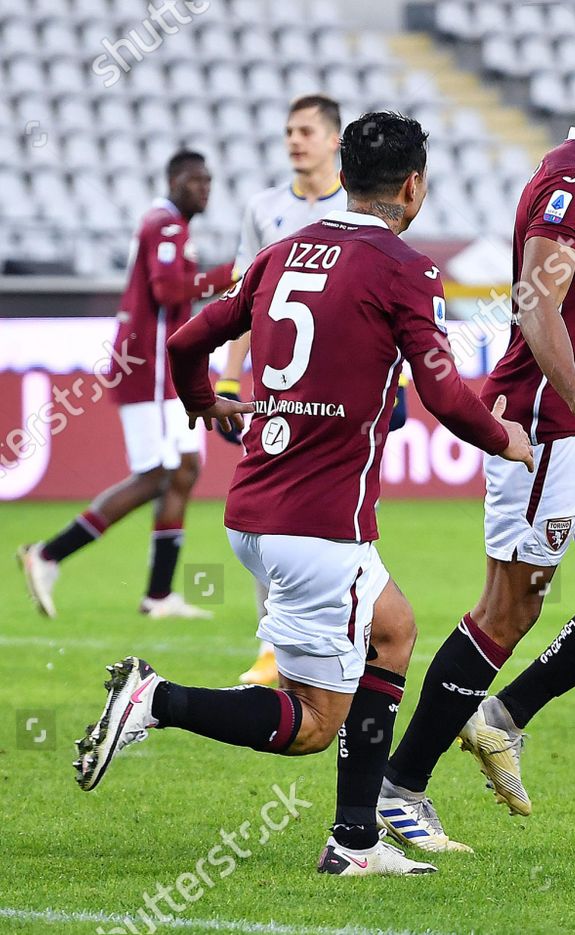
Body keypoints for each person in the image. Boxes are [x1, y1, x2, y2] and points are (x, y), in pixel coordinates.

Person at [70, 111, 534, 875]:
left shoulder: (284, 252)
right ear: (413, 185)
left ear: (344, 174)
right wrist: (504, 436)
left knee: (394, 630)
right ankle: (157, 699)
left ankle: (355, 841)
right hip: (320, 527)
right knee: (315, 721)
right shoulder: (406, 269)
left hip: (257, 507)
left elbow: (187, 339)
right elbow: (447, 395)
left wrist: (200, 402)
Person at [375, 43, 575, 848]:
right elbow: (535, 307)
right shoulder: (570, 184)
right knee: (508, 608)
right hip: (546, 425)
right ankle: (397, 786)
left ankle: (502, 717)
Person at [17, 152, 234, 620]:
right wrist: (229, 274)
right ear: (174, 180)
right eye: (196, 179)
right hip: (147, 367)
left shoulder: (173, 226)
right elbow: (169, 292)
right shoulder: (164, 224)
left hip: (165, 370)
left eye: (209, 180)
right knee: (156, 473)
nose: (205, 188)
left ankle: (158, 596)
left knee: (186, 468)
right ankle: (48, 554)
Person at [219, 93, 358, 687]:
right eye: (289, 131)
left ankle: (349, 629)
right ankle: (274, 649)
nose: (295, 141)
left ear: (333, 141)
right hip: (276, 388)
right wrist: (228, 374)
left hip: (343, 387)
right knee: (267, 507)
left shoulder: (358, 206)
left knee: (345, 507)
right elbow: (242, 303)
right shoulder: (264, 209)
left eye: (306, 131)